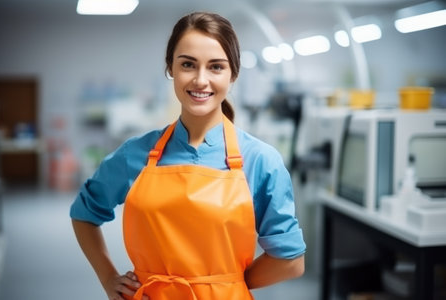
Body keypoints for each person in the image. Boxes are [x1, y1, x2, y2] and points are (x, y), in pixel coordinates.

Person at [70, 11, 306, 300]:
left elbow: (290, 261)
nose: (200, 80)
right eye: (188, 65)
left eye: (216, 67)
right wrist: (108, 278)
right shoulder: (136, 153)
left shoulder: (260, 160)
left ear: (233, 74)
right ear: (171, 68)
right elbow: (84, 214)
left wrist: (223, 285)